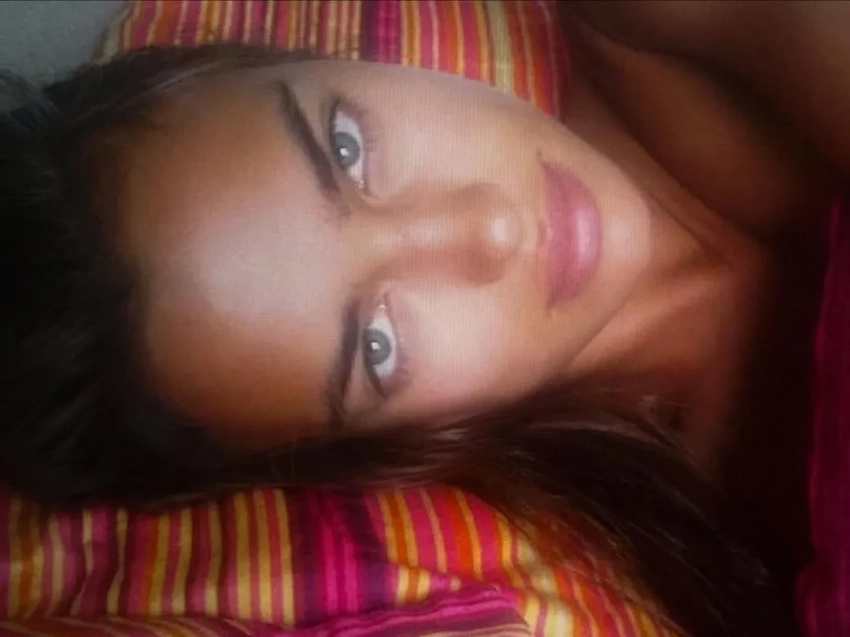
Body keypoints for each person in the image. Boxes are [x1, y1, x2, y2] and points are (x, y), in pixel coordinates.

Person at [1, 2, 847, 635]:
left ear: (291, 55)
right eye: (377, 346)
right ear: (371, 444)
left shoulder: (661, 18)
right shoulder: (668, 548)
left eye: (346, 146)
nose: (489, 229)